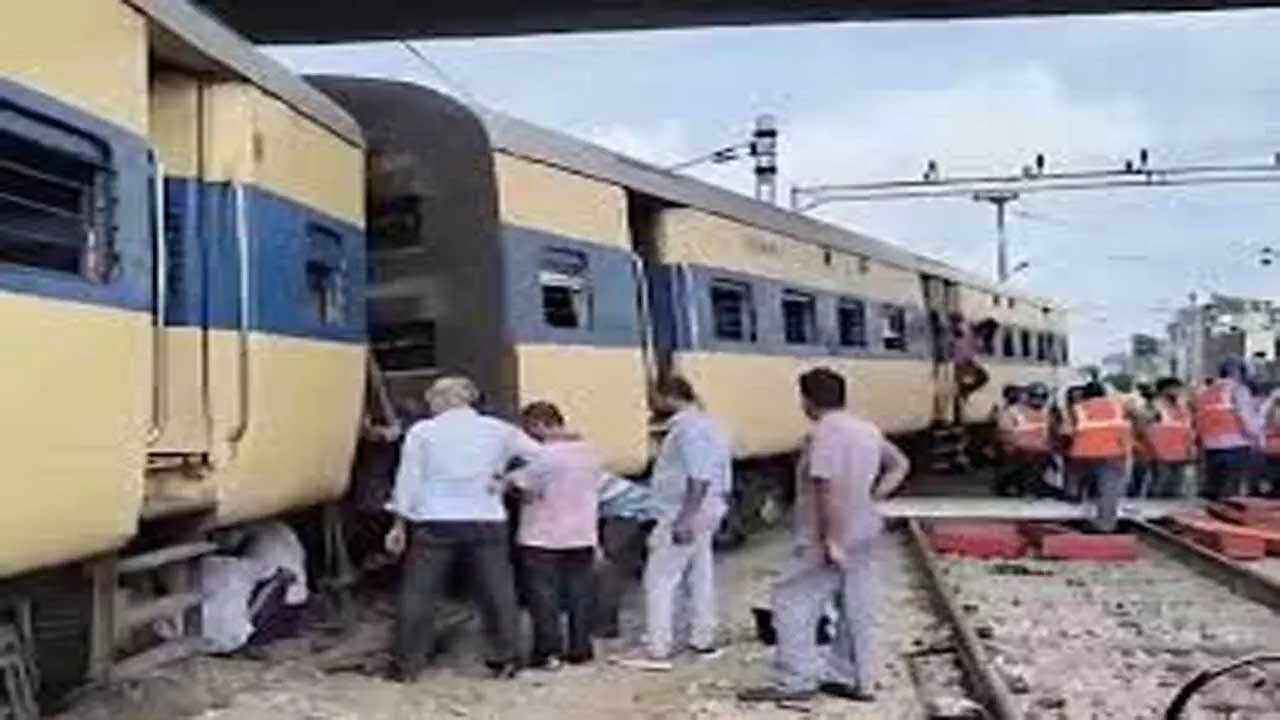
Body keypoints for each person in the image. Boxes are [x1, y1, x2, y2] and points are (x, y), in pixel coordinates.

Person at [738, 368, 910, 704]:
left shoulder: (825, 433)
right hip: (865, 528)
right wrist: (872, 496)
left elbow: (825, 487)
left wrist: (832, 538)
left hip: (825, 536)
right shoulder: (867, 429)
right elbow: (900, 464)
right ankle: (851, 677)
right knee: (855, 605)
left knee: (791, 600)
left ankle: (794, 681)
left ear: (807, 400)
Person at [384, 375, 542, 681]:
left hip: (434, 521)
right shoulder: (498, 429)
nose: (428, 405)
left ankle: (406, 664)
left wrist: (399, 523)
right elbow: (543, 457)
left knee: (419, 593)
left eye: (431, 399)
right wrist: (512, 480)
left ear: (442, 400)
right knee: (497, 590)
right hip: (486, 518)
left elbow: (408, 480)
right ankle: (508, 658)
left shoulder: (423, 432)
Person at [617, 376, 732, 671]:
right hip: (709, 508)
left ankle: (657, 648)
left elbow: (699, 476)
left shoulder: (688, 430)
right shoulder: (710, 424)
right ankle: (701, 640)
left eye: (655, 397)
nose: (652, 404)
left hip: (684, 511)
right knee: (699, 576)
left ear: (668, 396)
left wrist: (685, 517)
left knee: (660, 579)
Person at [508, 401, 606, 670]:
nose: (528, 434)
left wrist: (507, 481)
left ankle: (548, 652)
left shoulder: (543, 457)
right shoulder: (591, 452)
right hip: (582, 533)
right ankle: (580, 649)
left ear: (539, 424)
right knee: (579, 594)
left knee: (544, 597)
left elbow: (525, 487)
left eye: (529, 427)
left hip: (543, 535)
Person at [594, 474, 663, 639]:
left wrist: (595, 548)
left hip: (628, 514)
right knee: (619, 569)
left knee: (610, 570)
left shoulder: (566, 478)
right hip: (642, 509)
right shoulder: (578, 466)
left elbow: (583, 513)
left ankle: (605, 626)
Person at [1062, 382, 1135, 532]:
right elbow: (1137, 416)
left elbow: (1066, 431)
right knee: (1109, 490)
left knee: (1076, 479)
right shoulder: (1118, 406)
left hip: (1083, 453)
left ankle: (1073, 500)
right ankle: (1106, 525)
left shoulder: (1078, 408)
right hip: (1114, 452)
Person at [1195, 357, 1261, 500]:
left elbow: (1199, 421)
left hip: (1210, 448)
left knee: (1213, 492)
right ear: (1238, 371)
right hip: (1236, 446)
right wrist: (1257, 436)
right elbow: (1247, 419)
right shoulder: (1238, 390)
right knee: (1231, 496)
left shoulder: (1205, 393)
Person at [1139, 377, 1196, 498]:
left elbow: (1188, 428)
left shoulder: (1183, 406)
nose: (1177, 391)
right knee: (1159, 485)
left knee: (1176, 487)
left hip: (1180, 452)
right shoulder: (1155, 405)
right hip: (1160, 453)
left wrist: (1190, 447)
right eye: (1174, 388)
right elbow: (1145, 426)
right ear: (1164, 390)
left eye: (1178, 388)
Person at [994, 382, 1052, 497]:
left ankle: (1031, 490)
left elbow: (1049, 431)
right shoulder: (1014, 411)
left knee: (1036, 472)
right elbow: (1004, 430)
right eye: (1035, 397)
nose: (1038, 401)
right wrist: (1009, 446)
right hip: (1017, 451)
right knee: (1013, 473)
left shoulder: (1046, 412)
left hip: (1040, 451)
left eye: (1042, 398)